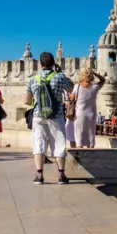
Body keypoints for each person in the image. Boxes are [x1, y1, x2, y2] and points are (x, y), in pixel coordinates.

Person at [25, 51, 72, 184]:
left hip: (38, 116)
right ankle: (61, 175)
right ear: (53, 63)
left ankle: (39, 176)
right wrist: (60, 72)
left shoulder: (33, 79)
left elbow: (27, 101)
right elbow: (70, 89)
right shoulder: (60, 77)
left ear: (40, 64)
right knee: (59, 144)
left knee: (39, 144)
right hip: (56, 115)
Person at [71, 68, 105, 148]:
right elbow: (103, 80)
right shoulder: (95, 87)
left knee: (79, 137)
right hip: (91, 115)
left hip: (80, 114)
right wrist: (95, 74)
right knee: (91, 137)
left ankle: (80, 156)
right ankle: (91, 156)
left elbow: (71, 98)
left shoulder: (77, 87)